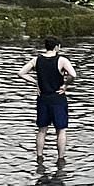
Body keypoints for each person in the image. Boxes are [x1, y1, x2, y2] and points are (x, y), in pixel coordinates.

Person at [18, 36, 77, 164]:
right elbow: (73, 74)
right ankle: (61, 158)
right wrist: (66, 85)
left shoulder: (36, 60)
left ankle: (39, 157)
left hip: (43, 98)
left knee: (42, 129)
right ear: (57, 47)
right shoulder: (62, 60)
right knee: (61, 130)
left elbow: (21, 73)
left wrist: (36, 82)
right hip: (58, 98)